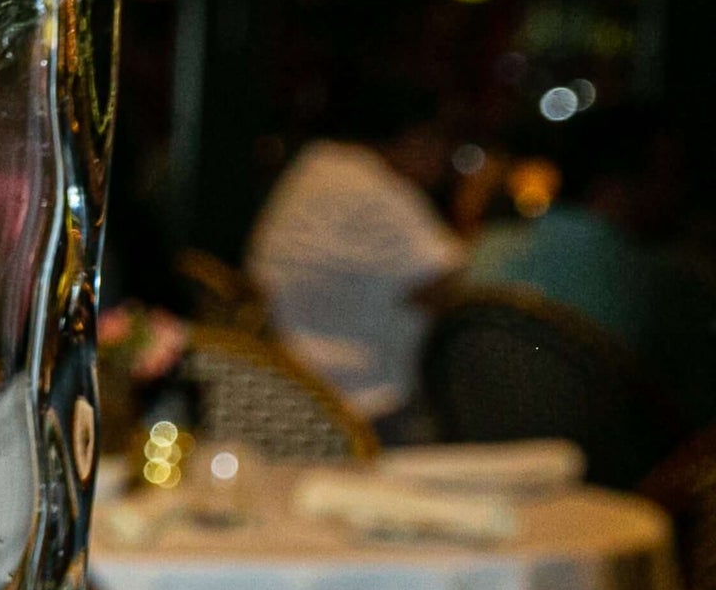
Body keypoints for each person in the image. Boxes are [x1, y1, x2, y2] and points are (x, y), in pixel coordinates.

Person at [467, 104, 715, 424]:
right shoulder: (660, 279)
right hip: (616, 466)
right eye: (672, 176)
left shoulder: (486, 245)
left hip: (489, 454)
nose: (680, 192)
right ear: (616, 184)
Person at [244, 80, 466, 426]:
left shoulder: (314, 168)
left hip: (294, 398)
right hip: (369, 411)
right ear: (416, 137)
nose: (447, 158)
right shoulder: (374, 191)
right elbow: (459, 290)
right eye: (443, 141)